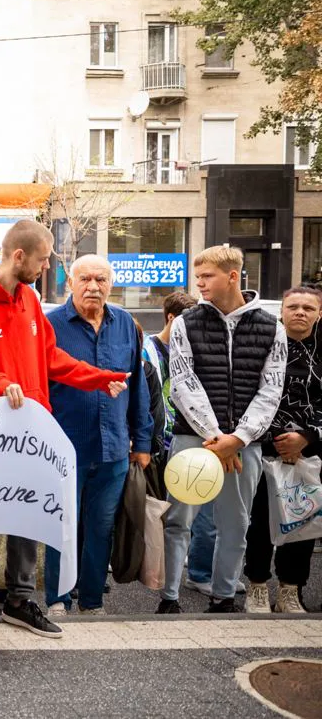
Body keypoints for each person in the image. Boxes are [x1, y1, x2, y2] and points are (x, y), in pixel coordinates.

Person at [0, 219, 127, 643]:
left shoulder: (28, 299)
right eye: (44, 259)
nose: (48, 267)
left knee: (30, 513)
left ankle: (20, 599)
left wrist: (100, 377)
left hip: (32, 433)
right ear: (20, 256)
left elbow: (52, 359)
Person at [159, 245, 286, 614]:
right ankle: (169, 597)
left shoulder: (270, 326)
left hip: (243, 445)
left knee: (235, 523)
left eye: (207, 276)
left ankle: (223, 596)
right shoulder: (185, 323)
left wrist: (239, 438)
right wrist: (216, 437)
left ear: (233, 276)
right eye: (197, 277)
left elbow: (271, 388)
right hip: (192, 438)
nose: (200, 284)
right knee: (179, 519)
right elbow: (182, 381)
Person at [44, 255, 153, 617]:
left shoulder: (125, 323)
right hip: (64, 448)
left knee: (101, 529)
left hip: (115, 449)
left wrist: (143, 442)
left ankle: (92, 601)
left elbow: (137, 387)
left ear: (111, 283)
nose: (93, 286)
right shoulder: (50, 325)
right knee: (61, 527)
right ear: (69, 284)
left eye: (101, 279)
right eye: (85, 279)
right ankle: (58, 599)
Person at [241, 286, 322, 614]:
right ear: (282, 312)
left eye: (308, 308)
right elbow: (250, 392)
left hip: (312, 450)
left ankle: (291, 589)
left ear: (319, 313)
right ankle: (257, 586)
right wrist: (277, 438)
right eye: (293, 307)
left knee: (303, 520)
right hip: (265, 446)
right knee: (260, 520)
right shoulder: (267, 348)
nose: (300, 312)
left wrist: (306, 437)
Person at [145, 292, 231, 598]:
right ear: (172, 318)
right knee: (163, 513)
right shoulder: (148, 351)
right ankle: (160, 578)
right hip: (162, 440)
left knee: (205, 512)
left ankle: (199, 573)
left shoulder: (202, 348)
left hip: (196, 438)